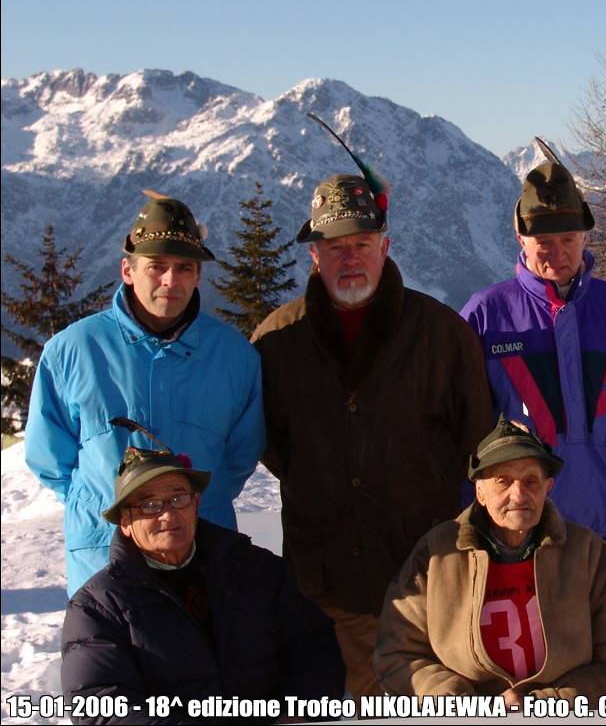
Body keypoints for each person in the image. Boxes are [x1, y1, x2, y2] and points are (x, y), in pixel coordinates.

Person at [251, 171, 493, 700]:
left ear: (385, 247)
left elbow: (478, 439)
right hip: (326, 577)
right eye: (335, 247)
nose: (350, 258)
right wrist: (323, 477)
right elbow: (268, 442)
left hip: (426, 572)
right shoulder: (277, 340)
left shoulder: (442, 333)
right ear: (314, 255)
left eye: (361, 244)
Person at [25, 191, 264, 596]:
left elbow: (241, 457)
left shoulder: (234, 356)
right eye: (156, 266)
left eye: (184, 267)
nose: (170, 280)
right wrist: (105, 504)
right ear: (128, 270)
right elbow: (49, 457)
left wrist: (189, 509)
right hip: (104, 559)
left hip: (203, 555)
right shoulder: (72, 350)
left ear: (198, 275)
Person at [460, 159, 606, 567]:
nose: (557, 253)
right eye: (544, 241)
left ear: (584, 237)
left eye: (569, 239)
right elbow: (461, 427)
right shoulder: (486, 316)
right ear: (521, 238)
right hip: (517, 529)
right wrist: (467, 514)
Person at [61, 429, 344, 725]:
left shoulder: (258, 570)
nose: (168, 515)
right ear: (125, 522)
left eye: (178, 498)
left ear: (195, 504)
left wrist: (298, 712)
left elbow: (313, 644)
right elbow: (100, 703)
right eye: (149, 505)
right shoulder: (97, 606)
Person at [374, 416, 606, 704]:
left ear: (548, 487)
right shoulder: (438, 554)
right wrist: (457, 702)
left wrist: (550, 703)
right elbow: (398, 654)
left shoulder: (588, 553)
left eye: (531, 481)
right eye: (502, 481)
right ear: (480, 492)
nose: (518, 495)